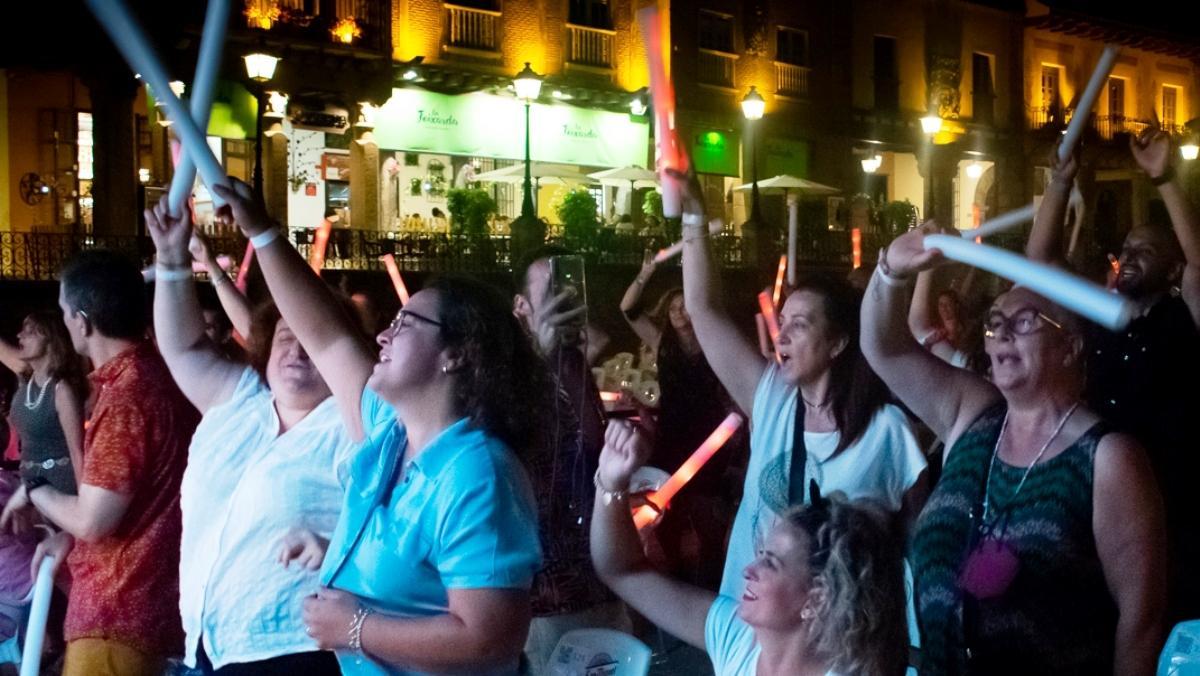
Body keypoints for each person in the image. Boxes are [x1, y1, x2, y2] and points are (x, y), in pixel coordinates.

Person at [212, 177, 543, 676]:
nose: (385, 334)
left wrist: (355, 628)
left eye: (407, 324)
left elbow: (491, 637)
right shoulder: (392, 434)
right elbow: (325, 336)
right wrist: (261, 233)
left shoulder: (476, 472)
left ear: (456, 353)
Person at [862, 222, 1167, 674]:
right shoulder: (972, 414)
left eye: (1024, 322)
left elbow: (1141, 622)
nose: (1002, 333)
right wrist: (890, 269)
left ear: (1070, 346)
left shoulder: (1107, 458)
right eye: (995, 322)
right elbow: (883, 347)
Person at [673, 169, 928, 599]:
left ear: (838, 342)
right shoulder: (772, 399)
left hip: (836, 642)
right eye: (782, 321)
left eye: (800, 324)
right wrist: (695, 217)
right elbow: (703, 309)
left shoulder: (886, 431)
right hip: (750, 624)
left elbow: (920, 545)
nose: (782, 334)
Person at [145, 196, 362, 674]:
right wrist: (171, 258)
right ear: (264, 345)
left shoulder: (352, 423)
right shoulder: (238, 402)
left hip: (297, 651)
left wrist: (263, 234)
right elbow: (181, 347)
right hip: (209, 645)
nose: (297, 352)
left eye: (310, 342)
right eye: (285, 337)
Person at [1027, 128, 1200, 624]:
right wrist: (1059, 182)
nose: (1130, 256)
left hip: (1175, 509)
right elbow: (1040, 263)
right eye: (1127, 246)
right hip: (1098, 502)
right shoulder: (1098, 313)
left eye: (1147, 249)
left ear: (1172, 271)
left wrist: (1164, 177)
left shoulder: (1183, 316)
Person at [590, 419, 909, 676]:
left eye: (770, 562)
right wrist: (611, 482)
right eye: (760, 555)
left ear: (818, 596)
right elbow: (620, 569)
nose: (748, 569)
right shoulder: (736, 638)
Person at [19, 250, 198, 676]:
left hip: (116, 615)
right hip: (144, 607)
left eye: (64, 312)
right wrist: (71, 541)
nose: (64, 322)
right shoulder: (159, 375)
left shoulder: (127, 397)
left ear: (81, 321)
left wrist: (36, 488)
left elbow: (95, 520)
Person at [512, 246, 630, 673]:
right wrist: (541, 354)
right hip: (546, 595)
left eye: (569, 286)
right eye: (551, 289)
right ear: (520, 306)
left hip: (600, 577)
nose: (564, 298)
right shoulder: (507, 370)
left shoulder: (571, 359)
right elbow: (511, 446)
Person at [619, 256, 747, 589]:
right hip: (673, 435)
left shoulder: (714, 345)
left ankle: (711, 583)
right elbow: (628, 309)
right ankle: (675, 574)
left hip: (708, 439)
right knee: (667, 511)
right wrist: (646, 273)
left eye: (685, 306)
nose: (679, 312)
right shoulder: (663, 343)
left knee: (708, 518)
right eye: (673, 307)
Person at [0, 310, 86, 501]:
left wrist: (84, 504)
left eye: (29, 331)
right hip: (29, 482)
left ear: (49, 339)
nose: (19, 335)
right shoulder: (27, 381)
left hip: (60, 485)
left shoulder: (62, 390)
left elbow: (77, 451)